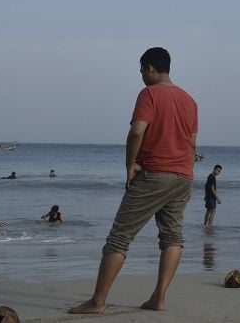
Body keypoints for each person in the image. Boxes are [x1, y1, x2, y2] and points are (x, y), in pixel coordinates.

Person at [70, 47, 199, 315]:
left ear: (151, 68)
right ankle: (159, 298)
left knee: (119, 238)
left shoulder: (149, 94)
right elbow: (192, 143)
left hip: (154, 174)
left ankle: (98, 301)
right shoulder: (189, 100)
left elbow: (137, 131)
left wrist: (130, 165)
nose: (141, 75)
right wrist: (188, 178)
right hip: (182, 176)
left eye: (142, 70)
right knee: (173, 237)